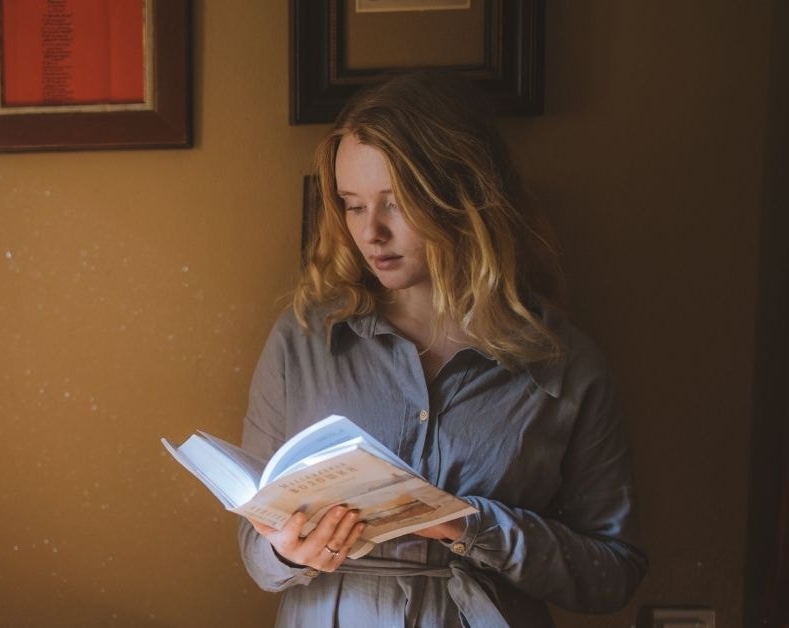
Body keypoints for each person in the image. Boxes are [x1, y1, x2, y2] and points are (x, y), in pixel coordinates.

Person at [237, 72, 647, 627]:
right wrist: (288, 551)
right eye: (353, 206)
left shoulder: (563, 362)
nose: (371, 233)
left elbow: (613, 573)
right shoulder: (304, 340)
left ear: (463, 197)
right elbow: (256, 555)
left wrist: (471, 525)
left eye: (396, 203)